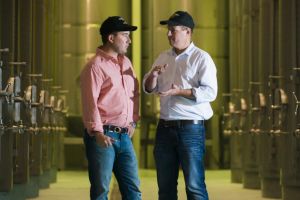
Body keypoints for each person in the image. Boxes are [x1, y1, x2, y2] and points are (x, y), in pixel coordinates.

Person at [143, 11, 218, 200]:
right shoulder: (162, 57)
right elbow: (148, 88)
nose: (168, 34)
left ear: (187, 32)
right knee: (165, 188)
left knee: (194, 187)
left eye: (173, 30)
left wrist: (180, 91)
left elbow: (210, 92)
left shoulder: (202, 58)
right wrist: (152, 76)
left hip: (190, 129)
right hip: (165, 128)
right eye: (168, 30)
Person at [80, 16, 141, 200]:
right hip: (104, 136)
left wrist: (133, 121)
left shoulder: (127, 63)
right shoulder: (94, 66)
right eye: (125, 35)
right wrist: (97, 133)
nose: (129, 40)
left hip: (125, 136)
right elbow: (90, 102)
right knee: (101, 191)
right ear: (111, 38)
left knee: (133, 191)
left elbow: (134, 94)